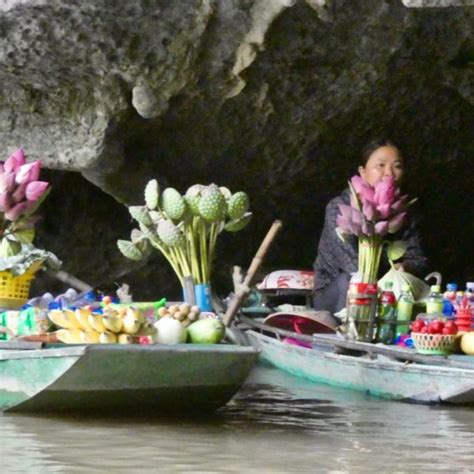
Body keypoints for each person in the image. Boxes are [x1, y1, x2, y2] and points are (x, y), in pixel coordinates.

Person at [312, 138, 429, 314]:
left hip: (387, 291)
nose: (389, 173)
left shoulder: (405, 213)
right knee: (356, 280)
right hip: (337, 293)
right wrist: (388, 277)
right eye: (380, 165)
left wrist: (404, 268)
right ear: (363, 172)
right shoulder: (339, 207)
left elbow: (419, 259)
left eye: (397, 166)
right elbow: (352, 265)